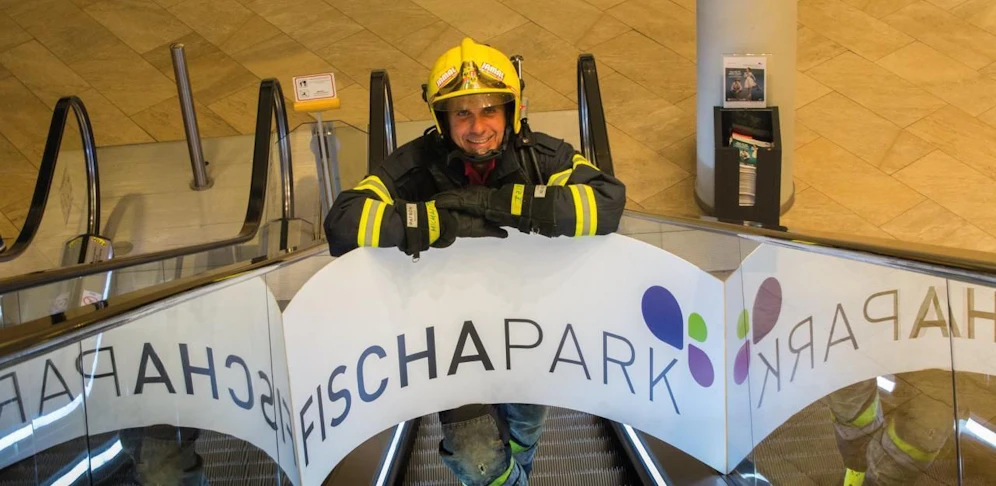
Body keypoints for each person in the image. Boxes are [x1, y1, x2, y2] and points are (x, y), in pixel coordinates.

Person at [324, 38, 626, 485]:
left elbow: (608, 201)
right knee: (474, 455)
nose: (477, 126)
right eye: (462, 113)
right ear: (442, 119)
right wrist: (429, 220)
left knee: (522, 438)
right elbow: (342, 221)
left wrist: (506, 204)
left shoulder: (543, 157)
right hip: (452, 350)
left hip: (527, 341)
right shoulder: (413, 165)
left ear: (511, 110)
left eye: (489, 110)